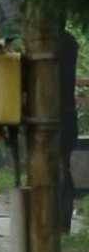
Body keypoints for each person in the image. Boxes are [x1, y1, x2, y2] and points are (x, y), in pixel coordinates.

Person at [58, 28, 80, 233]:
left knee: (60, 169)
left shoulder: (53, 42)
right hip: (67, 115)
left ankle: (60, 220)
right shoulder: (70, 42)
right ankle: (63, 222)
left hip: (58, 116)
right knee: (63, 167)